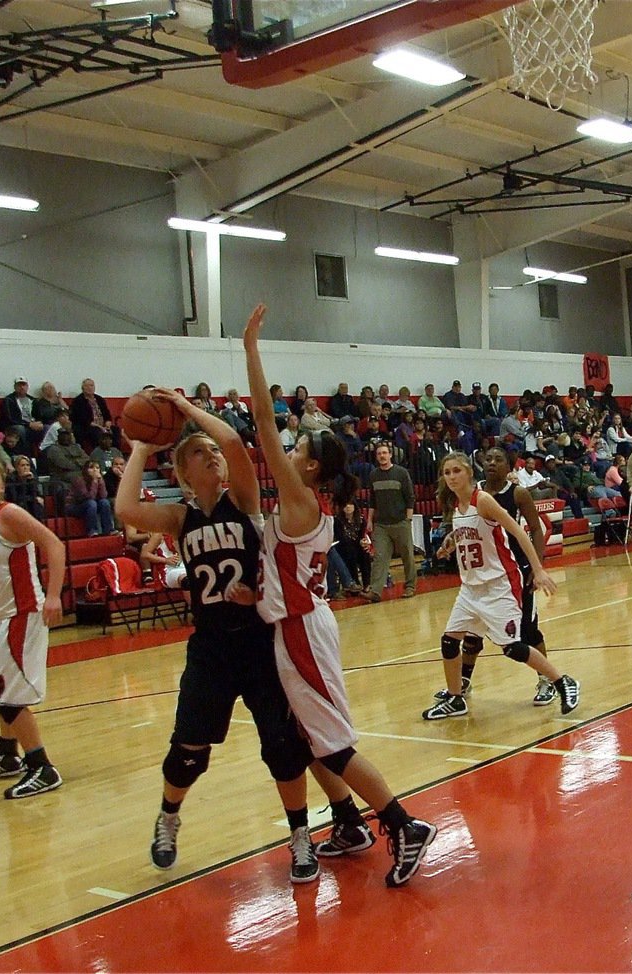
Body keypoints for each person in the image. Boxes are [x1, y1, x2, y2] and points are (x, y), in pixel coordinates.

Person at [243, 304, 437, 887]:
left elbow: (260, 424)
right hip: (291, 627)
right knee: (307, 739)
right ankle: (350, 823)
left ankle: (404, 825)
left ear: (313, 467)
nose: (290, 450)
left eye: (299, 447)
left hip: (303, 629)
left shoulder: (303, 500)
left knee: (335, 742)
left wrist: (251, 350)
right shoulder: (303, 502)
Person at [114, 391, 328, 885]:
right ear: (183, 474)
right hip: (210, 648)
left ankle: (299, 836)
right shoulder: (178, 518)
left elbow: (233, 440)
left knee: (281, 745)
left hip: (257, 642)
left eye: (212, 452)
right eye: (197, 452)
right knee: (188, 748)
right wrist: (144, 445)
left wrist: (188, 412)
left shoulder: (243, 501)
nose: (210, 455)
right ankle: (169, 816)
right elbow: (126, 507)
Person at [423, 451, 580, 721]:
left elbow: (518, 531)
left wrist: (539, 569)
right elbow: (470, 533)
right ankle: (455, 698)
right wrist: (452, 541)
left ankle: (562, 681)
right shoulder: (455, 504)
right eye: (447, 472)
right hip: (471, 587)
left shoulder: (483, 500)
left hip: (499, 584)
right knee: (450, 641)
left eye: (456, 471)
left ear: (469, 473)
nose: (451, 477)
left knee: (513, 648)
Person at [0, 457, 66, 799]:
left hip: (24, 614)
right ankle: (9, 754)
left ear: (2, 485)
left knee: (9, 697)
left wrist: (53, 595)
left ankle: (42, 766)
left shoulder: (8, 515)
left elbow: (55, 544)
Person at [443, 446, 559, 706]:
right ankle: (463, 682)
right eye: (488, 458)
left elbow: (536, 530)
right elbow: (468, 525)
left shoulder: (517, 492)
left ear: (510, 466)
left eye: (499, 459)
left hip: (517, 569)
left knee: (527, 630)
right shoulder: (472, 492)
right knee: (472, 634)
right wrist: (453, 539)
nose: (492, 462)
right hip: (485, 571)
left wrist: (536, 566)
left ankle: (547, 680)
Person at [366, 443, 417, 602]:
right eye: (379, 453)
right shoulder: (373, 475)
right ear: (376, 456)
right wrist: (369, 520)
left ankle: (410, 586)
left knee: (407, 555)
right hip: (381, 524)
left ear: (390, 455)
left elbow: (410, 497)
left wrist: (408, 519)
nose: (382, 456)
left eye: (384, 453)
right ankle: (375, 591)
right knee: (379, 557)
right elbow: (372, 500)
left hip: (400, 521)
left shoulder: (401, 473)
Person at [66, 461, 115, 537]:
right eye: (91, 467)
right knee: (91, 503)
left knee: (104, 502)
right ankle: (92, 531)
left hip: (90, 504)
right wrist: (95, 481)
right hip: (74, 506)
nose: (95, 470)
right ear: (86, 470)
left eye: (97, 468)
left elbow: (104, 496)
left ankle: (108, 530)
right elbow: (89, 497)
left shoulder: (100, 479)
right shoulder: (79, 480)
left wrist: (101, 481)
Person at [69, 378, 113, 452]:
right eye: (87, 386)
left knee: (116, 431)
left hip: (102, 425)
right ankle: (99, 454)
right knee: (96, 432)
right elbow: (83, 419)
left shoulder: (99, 399)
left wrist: (108, 422)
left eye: (91, 385)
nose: (89, 388)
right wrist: (100, 427)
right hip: (88, 426)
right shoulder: (78, 401)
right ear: (82, 388)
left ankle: (115, 455)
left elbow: (107, 413)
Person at [0, 377, 44, 450]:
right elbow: (10, 418)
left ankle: (43, 454)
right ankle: (26, 453)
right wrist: (28, 424)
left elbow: (39, 415)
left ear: (27, 387)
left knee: (46, 428)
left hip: (32, 424)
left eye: (24, 385)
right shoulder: (9, 400)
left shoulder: (33, 400)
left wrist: (40, 423)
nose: (22, 387)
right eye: (19, 385)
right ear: (15, 387)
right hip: (15, 425)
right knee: (21, 429)